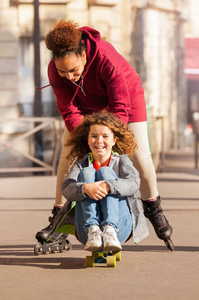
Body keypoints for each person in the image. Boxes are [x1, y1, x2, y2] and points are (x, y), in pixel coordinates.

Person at [36, 19, 173, 249]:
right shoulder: (54, 72)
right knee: (67, 157)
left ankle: (153, 206)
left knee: (140, 157)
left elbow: (120, 106)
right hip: (84, 105)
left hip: (126, 99)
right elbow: (69, 110)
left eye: (73, 70)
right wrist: (84, 141)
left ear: (83, 55)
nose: (68, 77)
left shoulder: (105, 57)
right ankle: (58, 219)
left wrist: (107, 141)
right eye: (63, 72)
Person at [56, 112, 149, 251]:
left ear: (114, 140)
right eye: (94, 136)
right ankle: (93, 229)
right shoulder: (80, 165)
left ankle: (109, 229)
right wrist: (85, 188)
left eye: (105, 136)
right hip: (86, 231)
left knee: (105, 172)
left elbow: (134, 183)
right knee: (87, 173)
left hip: (120, 228)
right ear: (87, 140)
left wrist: (108, 185)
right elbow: (66, 188)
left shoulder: (122, 162)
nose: (99, 141)